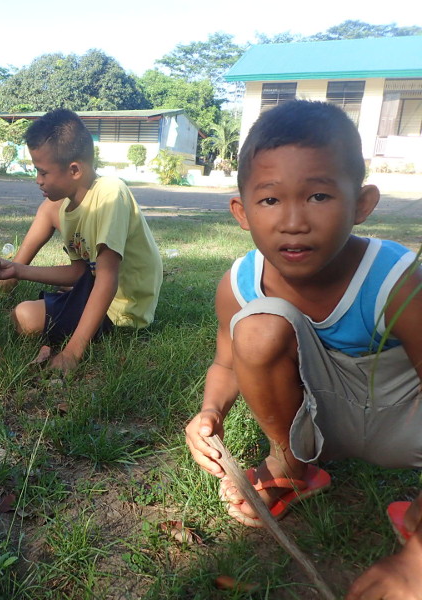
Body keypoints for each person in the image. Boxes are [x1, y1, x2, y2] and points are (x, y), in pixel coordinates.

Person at [183, 100, 422, 598]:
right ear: (242, 211)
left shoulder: (397, 280)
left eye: (318, 195)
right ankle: (291, 467)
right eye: (270, 200)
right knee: (256, 328)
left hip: (405, 425)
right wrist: (210, 411)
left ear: (361, 203)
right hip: (321, 423)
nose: (293, 221)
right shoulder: (241, 283)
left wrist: (417, 561)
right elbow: (226, 363)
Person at [0, 109, 163, 373]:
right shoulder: (67, 209)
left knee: (24, 317)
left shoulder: (110, 193)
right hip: (95, 289)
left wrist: (72, 352)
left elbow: (107, 279)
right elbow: (79, 272)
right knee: (23, 315)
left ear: (74, 169)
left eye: (43, 172)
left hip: (122, 310)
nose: (38, 181)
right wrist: (18, 270)